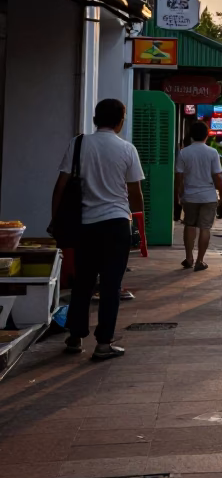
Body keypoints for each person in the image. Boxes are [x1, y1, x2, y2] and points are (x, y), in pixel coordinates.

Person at [50, 99, 144, 361]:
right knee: (111, 285)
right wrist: (138, 224)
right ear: (120, 120)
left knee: (83, 283)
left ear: (95, 118)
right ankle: (103, 344)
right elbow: (135, 193)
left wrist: (55, 219)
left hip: (86, 225)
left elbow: (60, 186)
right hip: (116, 225)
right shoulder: (127, 149)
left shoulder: (78, 143)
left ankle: (75, 336)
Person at [175, 120, 222, 271]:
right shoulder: (212, 152)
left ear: (191, 135)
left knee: (189, 225)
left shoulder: (184, 152)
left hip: (190, 196)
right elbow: (217, 176)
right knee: (205, 228)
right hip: (208, 196)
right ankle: (200, 261)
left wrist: (180, 193)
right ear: (207, 135)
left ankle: (189, 257)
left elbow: (179, 176)